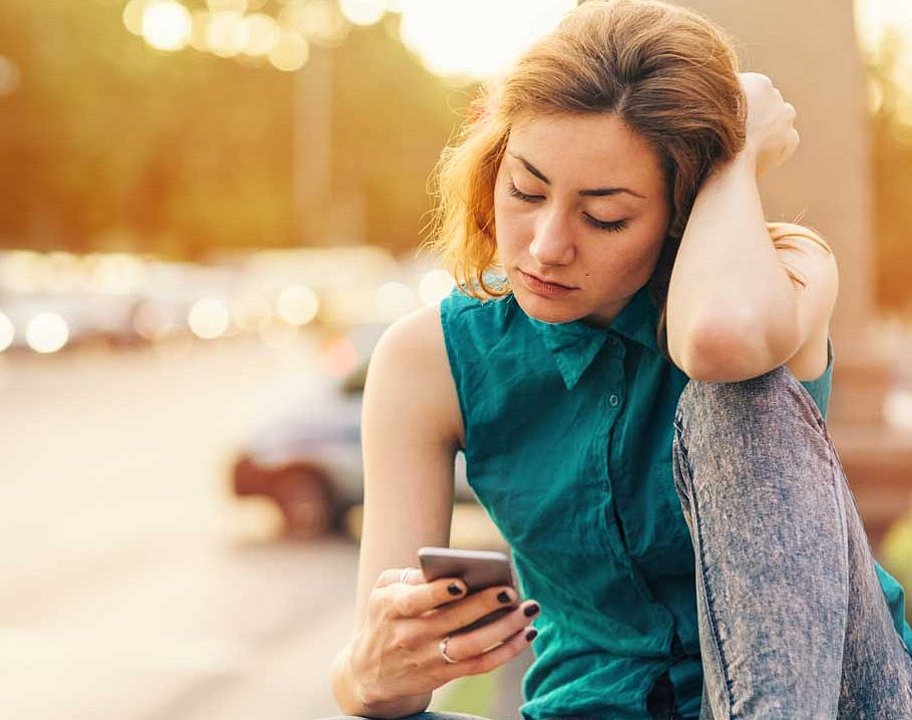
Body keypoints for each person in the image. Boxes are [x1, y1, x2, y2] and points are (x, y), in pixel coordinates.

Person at [321, 1, 912, 719]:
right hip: (587, 707)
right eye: (526, 190)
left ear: (682, 210)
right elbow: (383, 688)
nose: (546, 246)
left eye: (605, 216)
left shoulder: (787, 270)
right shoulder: (429, 359)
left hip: (832, 700)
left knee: (729, 392)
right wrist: (373, 667)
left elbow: (720, 341)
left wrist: (737, 152)